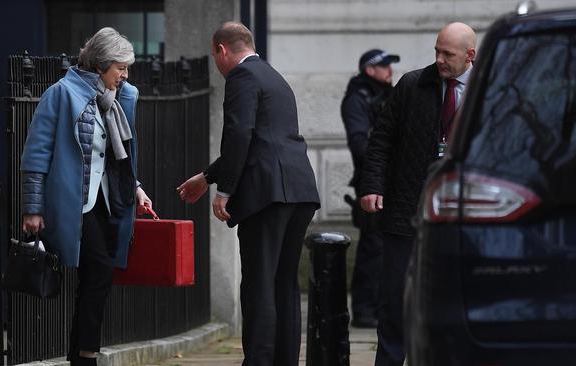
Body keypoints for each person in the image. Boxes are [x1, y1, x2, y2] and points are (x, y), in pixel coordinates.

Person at [177, 21, 320, 366]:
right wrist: (207, 176)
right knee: (284, 283)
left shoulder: (241, 78)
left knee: (258, 283)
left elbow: (240, 135)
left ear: (221, 50)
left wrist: (224, 190)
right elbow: (263, 141)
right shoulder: (274, 77)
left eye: (216, 57)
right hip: (298, 190)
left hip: (266, 195)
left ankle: (259, 360)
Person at [20, 27, 153, 366]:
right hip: (75, 202)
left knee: (94, 278)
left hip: (107, 201)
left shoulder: (116, 100)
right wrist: (33, 208)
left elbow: (116, 157)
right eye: (120, 68)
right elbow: (36, 156)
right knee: (100, 273)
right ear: (100, 64)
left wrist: (135, 188)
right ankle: (87, 355)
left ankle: (80, 354)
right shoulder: (61, 94)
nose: (124, 75)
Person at [359, 22, 476, 366]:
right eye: (437, 51)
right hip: (407, 212)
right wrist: (372, 186)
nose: (439, 59)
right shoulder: (412, 85)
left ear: (470, 55)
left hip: (463, 217)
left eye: (448, 54)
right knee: (396, 303)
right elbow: (382, 139)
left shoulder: (489, 91)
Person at [341, 48, 399, 328]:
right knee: (372, 249)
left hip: (394, 182)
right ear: (369, 69)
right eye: (385, 65)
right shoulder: (357, 99)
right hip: (372, 182)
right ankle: (365, 309)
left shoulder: (392, 95)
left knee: (389, 248)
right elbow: (359, 144)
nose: (390, 70)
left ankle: (382, 307)